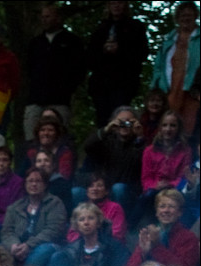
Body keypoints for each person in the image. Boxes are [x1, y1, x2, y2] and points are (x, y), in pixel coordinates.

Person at [24, 3, 87, 140]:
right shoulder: (35, 43)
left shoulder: (72, 41)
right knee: (31, 138)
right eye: (42, 17)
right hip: (35, 99)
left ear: (58, 18)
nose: (44, 20)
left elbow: (80, 70)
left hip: (60, 100)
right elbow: (28, 69)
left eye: (48, 16)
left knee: (60, 139)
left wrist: (67, 89)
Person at [87, 1, 150, 127]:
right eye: (112, 3)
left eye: (119, 2)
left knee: (121, 117)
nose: (116, 6)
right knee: (103, 120)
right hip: (101, 84)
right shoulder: (101, 28)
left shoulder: (135, 27)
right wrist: (103, 50)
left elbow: (142, 53)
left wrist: (120, 49)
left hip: (124, 83)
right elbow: (90, 57)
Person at [125, 188, 199, 266]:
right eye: (162, 206)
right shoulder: (149, 235)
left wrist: (156, 247)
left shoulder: (189, 238)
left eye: (171, 207)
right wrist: (143, 253)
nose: (166, 210)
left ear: (180, 212)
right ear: (156, 212)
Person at [0, 168, 67, 266]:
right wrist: (13, 245)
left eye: (38, 181)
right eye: (30, 181)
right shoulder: (15, 206)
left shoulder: (55, 203)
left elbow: (53, 230)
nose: (34, 184)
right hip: (18, 246)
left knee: (44, 250)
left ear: (45, 184)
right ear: (25, 184)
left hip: (43, 244)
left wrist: (29, 245)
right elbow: (7, 231)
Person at [82, 106, 146, 211]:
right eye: (121, 122)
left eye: (129, 122)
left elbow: (140, 161)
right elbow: (88, 147)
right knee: (77, 192)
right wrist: (106, 130)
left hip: (127, 193)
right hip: (102, 188)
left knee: (118, 188)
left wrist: (139, 137)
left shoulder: (139, 144)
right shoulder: (106, 141)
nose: (125, 125)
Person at [151, 2, 200, 138]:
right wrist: (155, 86)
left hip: (192, 91)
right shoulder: (169, 39)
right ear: (177, 18)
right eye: (183, 15)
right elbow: (158, 66)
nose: (186, 18)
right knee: (169, 124)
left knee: (189, 127)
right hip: (169, 89)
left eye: (189, 15)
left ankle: (188, 157)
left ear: (195, 16)